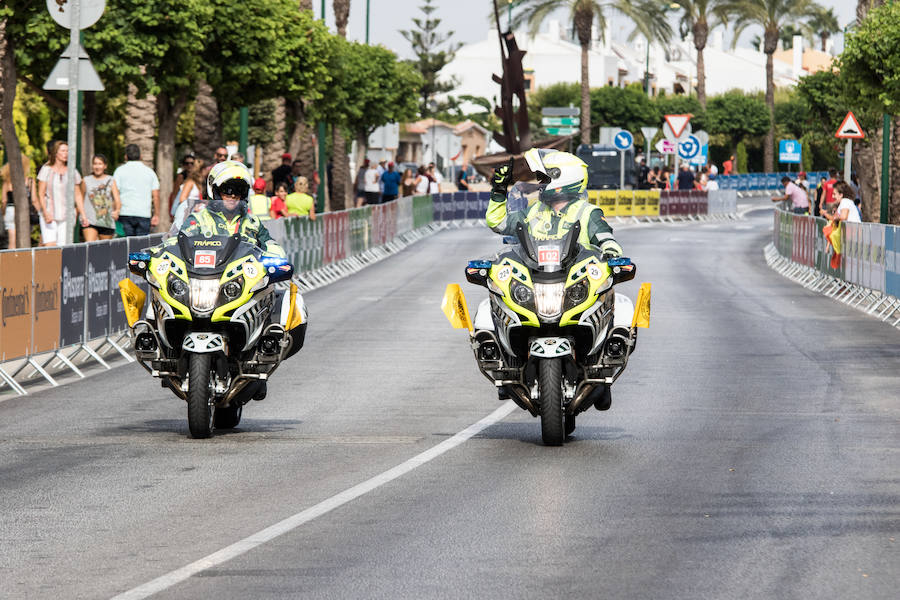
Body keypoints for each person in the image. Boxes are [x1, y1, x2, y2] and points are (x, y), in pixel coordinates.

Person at [483, 148, 624, 410]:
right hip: (539, 281)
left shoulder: (587, 212)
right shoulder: (534, 211)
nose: (541, 184)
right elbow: (498, 223)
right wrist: (498, 192)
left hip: (575, 283)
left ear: (563, 178)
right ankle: (508, 369)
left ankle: (602, 370)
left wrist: (614, 258)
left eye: (545, 178)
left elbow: (607, 240)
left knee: (616, 305)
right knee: (494, 301)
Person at [178, 161, 284, 255]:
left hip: (246, 275)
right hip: (204, 275)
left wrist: (277, 253)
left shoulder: (253, 222)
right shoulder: (198, 219)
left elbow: (269, 243)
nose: (233, 195)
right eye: (227, 190)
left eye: (239, 190)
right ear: (215, 191)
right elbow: (179, 243)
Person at [36, 141, 83, 246]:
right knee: (50, 247)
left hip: (67, 216)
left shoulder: (72, 171)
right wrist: (45, 212)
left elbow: (78, 194)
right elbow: (41, 193)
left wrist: (82, 214)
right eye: (63, 151)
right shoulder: (46, 170)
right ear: (56, 153)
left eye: (67, 151)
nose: (65, 153)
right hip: (49, 214)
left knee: (64, 247)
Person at [113, 144, 160, 236]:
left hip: (124, 213)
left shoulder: (119, 171)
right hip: (144, 213)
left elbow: (115, 193)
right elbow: (156, 196)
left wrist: (115, 210)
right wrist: (156, 215)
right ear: (140, 156)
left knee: (126, 245)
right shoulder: (150, 172)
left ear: (125, 156)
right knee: (141, 245)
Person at [78, 154, 121, 241]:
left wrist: (117, 211)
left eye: (100, 164)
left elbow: (117, 200)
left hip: (106, 221)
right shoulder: (86, 180)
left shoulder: (111, 180)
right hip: (89, 220)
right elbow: (80, 199)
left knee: (104, 250)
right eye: (95, 164)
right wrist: (82, 216)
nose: (97, 167)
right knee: (90, 246)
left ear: (105, 166)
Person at [0, 155, 37, 249]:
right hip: (24, 211)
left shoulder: (7, 182)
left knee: (12, 241)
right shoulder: (30, 181)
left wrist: (3, 213)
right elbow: (34, 199)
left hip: (10, 210)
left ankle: (11, 262)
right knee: (24, 240)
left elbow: (4, 200)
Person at [171, 159, 206, 228]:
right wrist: (194, 206)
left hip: (193, 215)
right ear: (201, 170)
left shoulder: (198, 184)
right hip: (185, 215)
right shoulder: (190, 182)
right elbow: (182, 199)